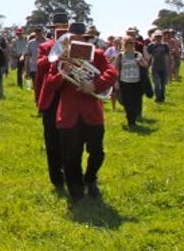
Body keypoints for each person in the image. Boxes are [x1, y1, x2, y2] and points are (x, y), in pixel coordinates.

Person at [40, 21, 118, 204]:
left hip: (92, 112)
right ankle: (75, 189)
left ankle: (91, 179)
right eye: (71, 39)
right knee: (70, 155)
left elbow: (112, 72)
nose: (75, 42)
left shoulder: (97, 54)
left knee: (97, 151)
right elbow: (49, 84)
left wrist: (95, 85)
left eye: (80, 39)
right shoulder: (61, 58)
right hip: (68, 114)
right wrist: (62, 73)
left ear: (86, 39)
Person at [34, 13, 70, 190]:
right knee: (52, 140)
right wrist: (56, 54)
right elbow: (40, 66)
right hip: (51, 98)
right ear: (53, 29)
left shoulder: (76, 46)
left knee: (70, 139)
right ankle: (56, 178)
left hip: (70, 96)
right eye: (58, 28)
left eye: (64, 27)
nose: (61, 31)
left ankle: (70, 172)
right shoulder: (45, 46)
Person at [115, 36, 149, 129]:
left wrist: (140, 62)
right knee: (127, 103)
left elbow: (146, 65)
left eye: (133, 43)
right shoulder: (120, 55)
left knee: (136, 103)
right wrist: (116, 83)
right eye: (129, 43)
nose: (132, 45)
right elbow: (116, 70)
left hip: (137, 82)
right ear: (125, 44)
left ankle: (133, 117)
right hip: (124, 82)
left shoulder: (138, 54)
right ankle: (131, 122)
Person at [146, 31, 171, 103]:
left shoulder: (165, 45)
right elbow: (149, 57)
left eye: (160, 36)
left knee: (163, 85)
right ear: (154, 37)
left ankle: (162, 98)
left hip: (163, 67)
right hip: (155, 67)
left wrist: (169, 66)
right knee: (157, 83)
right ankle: (157, 97)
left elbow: (168, 56)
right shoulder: (151, 46)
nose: (158, 38)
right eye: (157, 37)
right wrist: (147, 67)